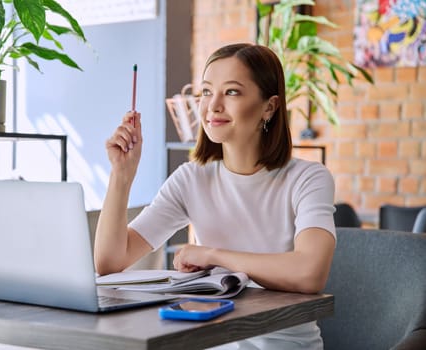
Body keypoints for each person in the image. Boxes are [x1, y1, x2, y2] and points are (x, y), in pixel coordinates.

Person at [94, 43, 336, 349]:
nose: (213, 105)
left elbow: (309, 273)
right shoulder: (192, 178)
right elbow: (110, 262)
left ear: (269, 107)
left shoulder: (307, 178)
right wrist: (121, 175)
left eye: (232, 92)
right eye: (207, 92)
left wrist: (212, 255)